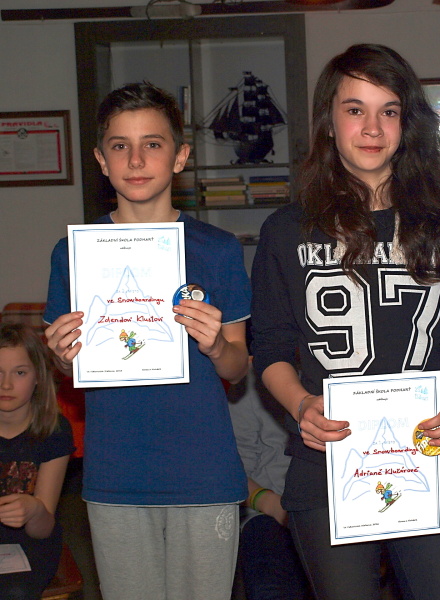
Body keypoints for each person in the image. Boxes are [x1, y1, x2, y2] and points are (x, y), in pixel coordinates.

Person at [250, 43, 440, 600]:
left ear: (408, 123)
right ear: (329, 121)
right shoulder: (286, 231)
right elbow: (271, 349)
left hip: (426, 459)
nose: (373, 127)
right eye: (355, 109)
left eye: (388, 111)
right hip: (327, 462)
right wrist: (301, 405)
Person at [43, 82, 250, 600]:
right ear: (101, 159)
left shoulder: (219, 250)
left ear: (180, 157)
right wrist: (63, 357)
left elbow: (238, 367)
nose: (136, 160)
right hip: (117, 472)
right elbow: (71, 367)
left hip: (203, 470)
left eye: (152, 144)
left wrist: (215, 346)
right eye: (120, 145)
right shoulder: (74, 254)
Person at [1, 323, 74, 600]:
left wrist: (34, 510)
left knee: (15, 592)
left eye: (20, 372)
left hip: (30, 545)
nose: (6, 384)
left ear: (38, 378)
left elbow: (42, 530)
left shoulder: (54, 431)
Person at [228, 365, 310, 600]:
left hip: (332, 513)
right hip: (268, 511)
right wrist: (270, 503)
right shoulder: (249, 378)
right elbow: (233, 470)